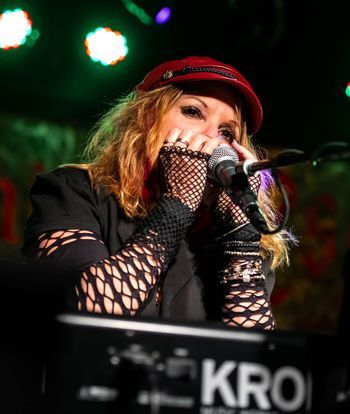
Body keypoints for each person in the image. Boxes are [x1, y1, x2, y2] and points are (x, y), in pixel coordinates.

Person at [22, 55, 292, 330]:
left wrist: (240, 241)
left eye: (227, 132)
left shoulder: (237, 234)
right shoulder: (72, 190)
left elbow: (250, 353)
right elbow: (87, 309)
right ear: (146, 118)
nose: (213, 137)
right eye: (193, 112)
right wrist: (177, 204)